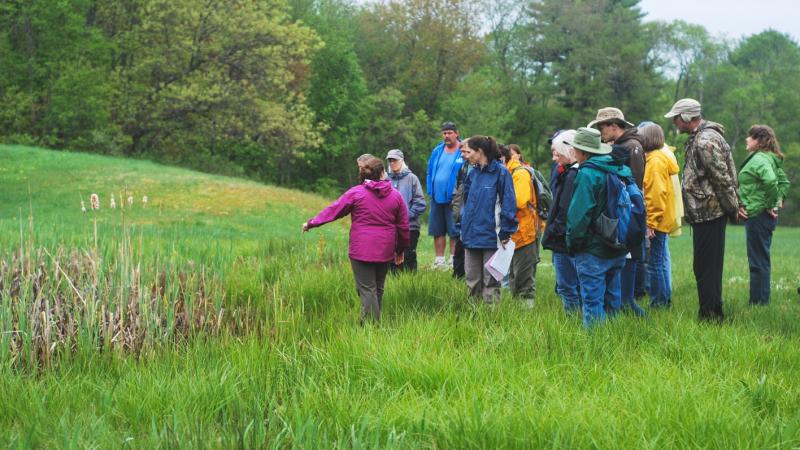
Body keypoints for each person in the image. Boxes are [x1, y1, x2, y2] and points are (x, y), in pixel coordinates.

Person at [303, 157, 410, 324]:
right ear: (383, 173)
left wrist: (311, 223)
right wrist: (400, 250)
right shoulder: (395, 196)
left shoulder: (356, 193)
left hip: (361, 250)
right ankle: (372, 323)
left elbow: (334, 210)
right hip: (385, 250)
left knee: (367, 289)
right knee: (377, 289)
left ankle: (370, 328)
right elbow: (403, 226)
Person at [665, 98, 740, 322]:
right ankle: (712, 311)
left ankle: (710, 316)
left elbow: (722, 178)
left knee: (706, 267)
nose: (676, 123)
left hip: (710, 213)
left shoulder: (705, 140)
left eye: (677, 118)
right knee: (706, 266)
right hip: (706, 213)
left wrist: (733, 208)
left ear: (687, 118)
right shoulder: (701, 137)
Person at [566, 127, 630, 328]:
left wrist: (573, 244)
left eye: (576, 149)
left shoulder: (588, 174)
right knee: (613, 300)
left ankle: (596, 348)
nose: (574, 152)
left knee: (593, 302)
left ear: (583, 152)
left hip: (593, 249)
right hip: (618, 245)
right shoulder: (619, 169)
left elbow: (579, 215)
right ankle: (615, 344)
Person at [588, 107, 646, 316]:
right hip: (621, 212)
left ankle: (628, 307)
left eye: (602, 127)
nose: (601, 132)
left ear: (614, 126)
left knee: (628, 258)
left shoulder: (632, 147)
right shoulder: (621, 145)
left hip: (627, 213)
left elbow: (633, 184)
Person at [459, 136, 518, 304]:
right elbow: (467, 202)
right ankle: (475, 320)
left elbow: (508, 203)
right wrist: (462, 226)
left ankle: (490, 322)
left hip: (492, 237)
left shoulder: (501, 173)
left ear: (480, 151)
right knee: (472, 281)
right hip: (471, 236)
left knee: (491, 282)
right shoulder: (473, 173)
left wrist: (506, 231)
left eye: (469, 151)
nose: (467, 155)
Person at [737, 125, 790, 305]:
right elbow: (784, 182)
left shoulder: (760, 159)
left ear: (758, 141)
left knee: (757, 261)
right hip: (762, 216)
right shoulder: (769, 158)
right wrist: (778, 199)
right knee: (761, 259)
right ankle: (761, 301)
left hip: (759, 215)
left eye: (749, 137)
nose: (746, 139)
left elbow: (771, 180)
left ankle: (758, 303)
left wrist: (770, 204)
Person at [541, 129, 581, 314]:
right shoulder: (572, 173)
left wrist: (554, 231)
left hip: (563, 240)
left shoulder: (572, 176)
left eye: (556, 154)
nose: (554, 159)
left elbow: (564, 210)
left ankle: (573, 320)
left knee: (567, 286)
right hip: (565, 237)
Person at [640, 123, 679, 308]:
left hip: (658, 221)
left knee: (656, 263)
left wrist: (651, 223)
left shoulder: (655, 162)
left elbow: (656, 194)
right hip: (662, 219)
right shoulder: (658, 158)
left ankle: (659, 302)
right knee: (660, 260)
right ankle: (664, 299)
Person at [500, 144, 539, 305]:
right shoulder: (508, 172)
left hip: (525, 232)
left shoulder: (520, 174)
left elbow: (520, 201)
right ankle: (518, 312)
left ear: (503, 158)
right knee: (513, 276)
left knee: (524, 277)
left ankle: (527, 314)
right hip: (513, 233)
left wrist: (497, 203)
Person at [426, 121, 465, 269]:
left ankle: (452, 259)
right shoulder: (437, 151)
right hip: (437, 197)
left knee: (454, 231)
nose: (447, 136)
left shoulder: (463, 151)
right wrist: (430, 190)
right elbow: (429, 171)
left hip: (454, 198)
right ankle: (439, 260)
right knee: (437, 229)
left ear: (457, 133)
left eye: (450, 133)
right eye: (445, 133)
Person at [386, 149, 427, 272]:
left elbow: (420, 203)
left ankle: (410, 283)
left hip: (410, 226)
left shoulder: (412, 178)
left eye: (395, 160)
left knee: (408, 256)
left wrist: (405, 216)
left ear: (402, 160)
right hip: (389, 227)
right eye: (390, 160)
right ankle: (393, 284)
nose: (392, 163)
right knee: (390, 258)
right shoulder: (384, 179)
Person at [450, 141, 472, 279]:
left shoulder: (478, 169)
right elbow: (458, 190)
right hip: (461, 216)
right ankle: (458, 276)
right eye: (462, 152)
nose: (463, 155)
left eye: (466, 152)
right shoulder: (463, 167)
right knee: (459, 247)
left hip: (471, 217)